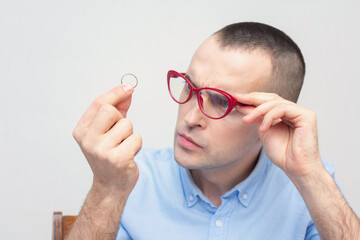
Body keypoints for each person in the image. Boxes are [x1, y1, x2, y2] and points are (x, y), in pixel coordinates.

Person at [67, 22, 360, 239]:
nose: (191, 117)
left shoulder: (307, 187)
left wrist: (310, 176)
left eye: (220, 101)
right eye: (190, 86)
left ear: (273, 117)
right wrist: (106, 190)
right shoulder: (132, 180)